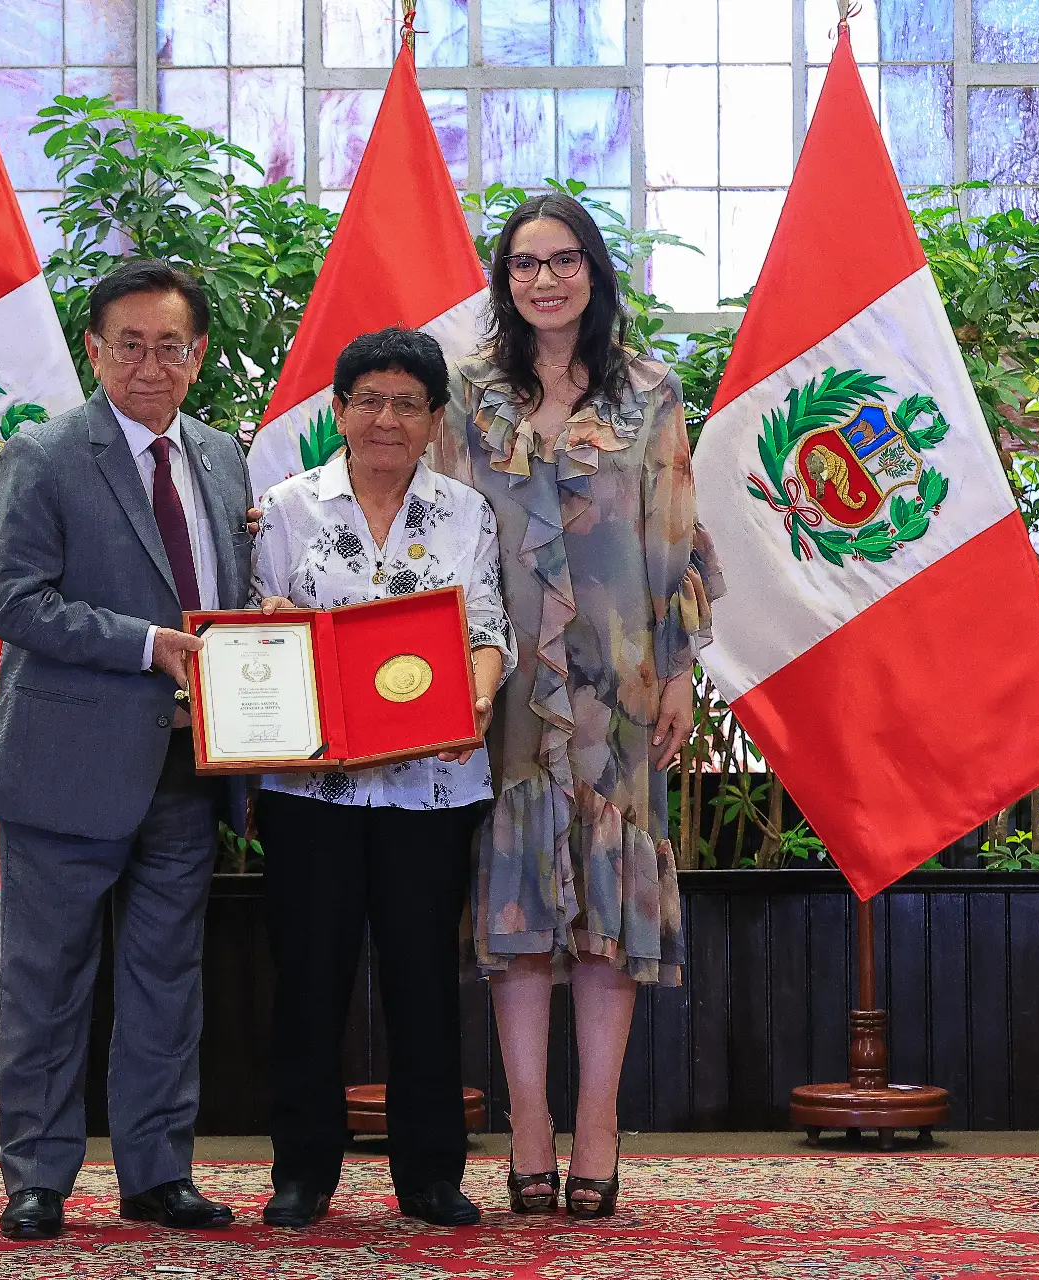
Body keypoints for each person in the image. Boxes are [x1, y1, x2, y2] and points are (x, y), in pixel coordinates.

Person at [432, 192, 717, 1220]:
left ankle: (596, 1123)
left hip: (619, 683)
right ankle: (529, 1127)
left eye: (562, 260)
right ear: (502, 280)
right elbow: (431, 535)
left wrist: (678, 668)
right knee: (516, 916)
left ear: (595, 273)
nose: (543, 278)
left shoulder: (651, 391)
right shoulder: (465, 397)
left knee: (604, 915)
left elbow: (676, 537)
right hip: (497, 687)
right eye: (522, 263)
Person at [0, 259, 254, 1241]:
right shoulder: (44, 453)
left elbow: (239, 600)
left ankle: (156, 1171)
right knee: (46, 977)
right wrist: (147, 645)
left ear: (199, 354)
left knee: (164, 975)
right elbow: (12, 600)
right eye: (127, 343)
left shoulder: (224, 455)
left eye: (169, 344)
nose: (149, 363)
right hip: (66, 760)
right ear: (93, 350)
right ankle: (38, 1177)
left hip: (189, 764)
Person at [250, 328, 515, 1230]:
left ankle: (432, 1175)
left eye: (407, 402)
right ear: (339, 411)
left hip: (431, 789)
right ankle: (301, 1175)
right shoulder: (286, 507)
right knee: (309, 980)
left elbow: (487, 628)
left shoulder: (466, 513)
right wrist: (273, 629)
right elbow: (255, 631)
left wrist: (473, 705)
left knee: (421, 981)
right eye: (368, 400)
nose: (386, 418)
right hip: (308, 791)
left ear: (436, 418)